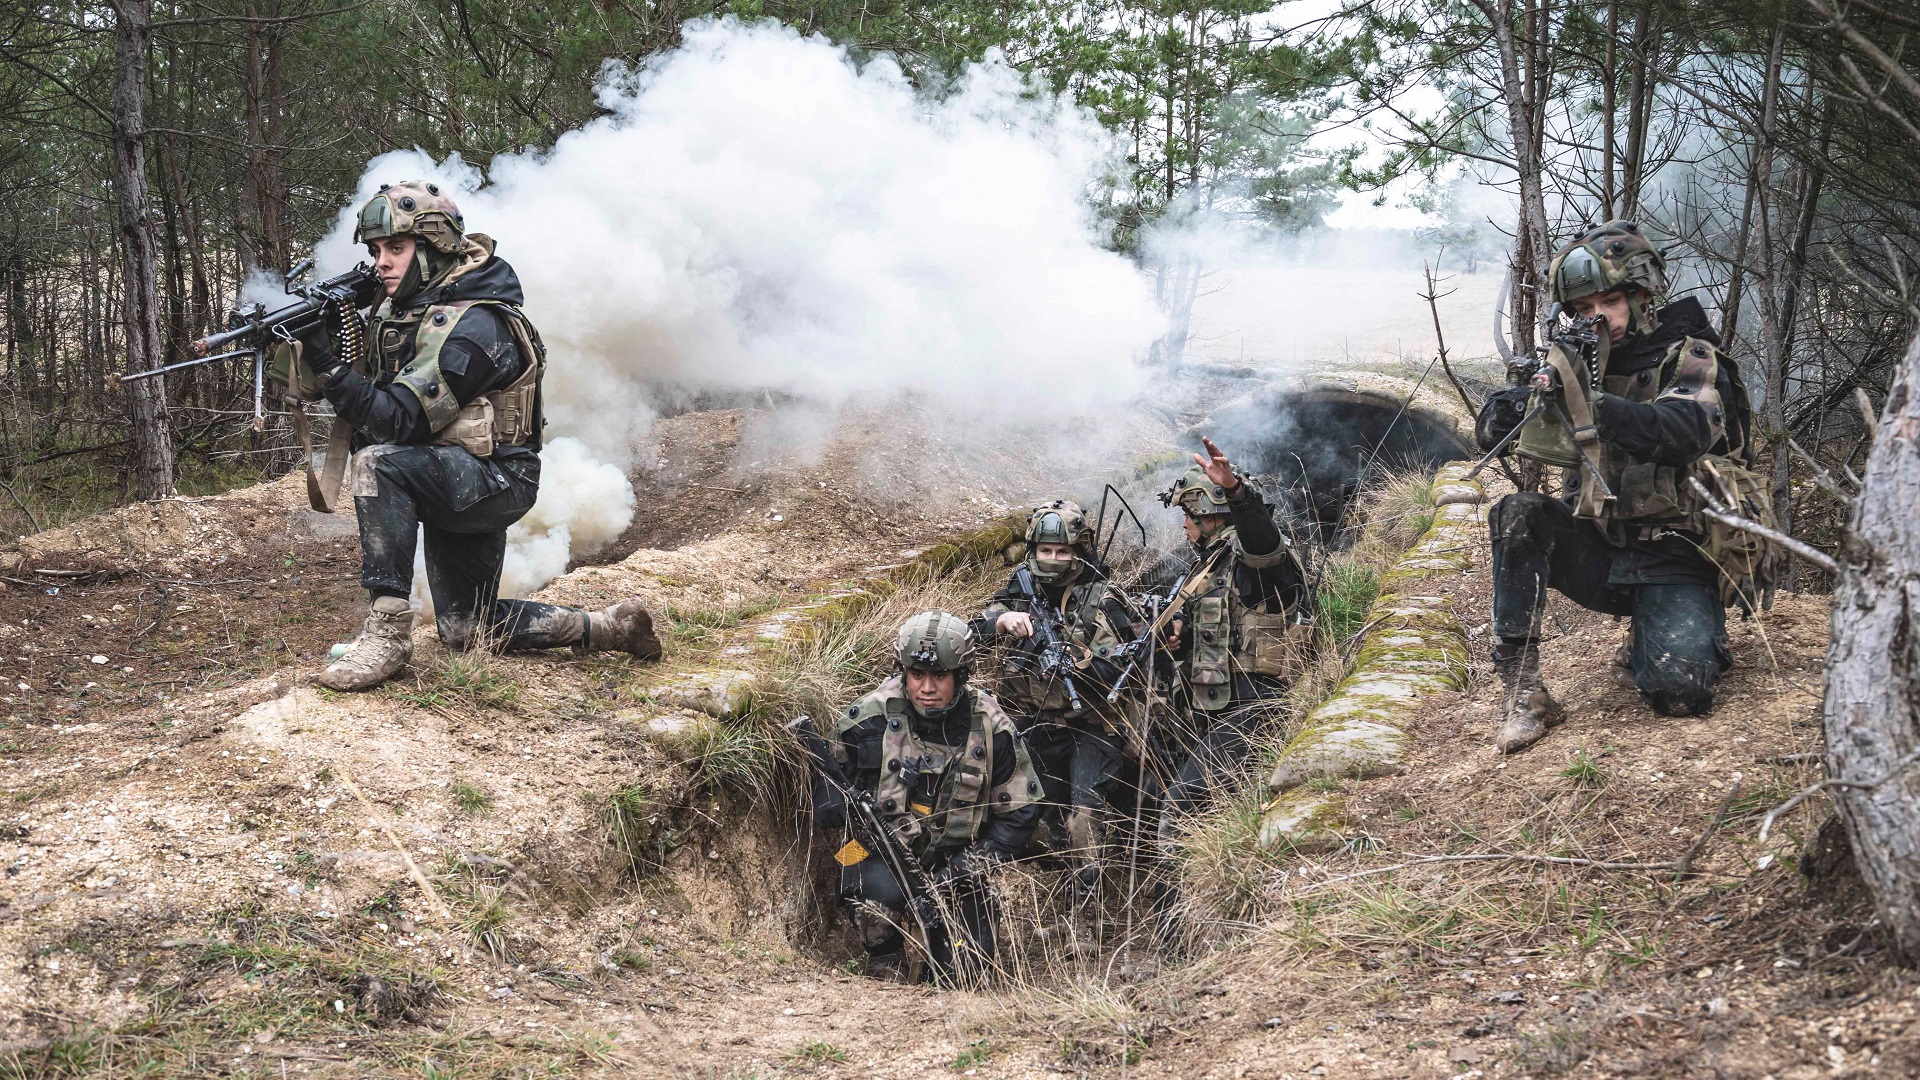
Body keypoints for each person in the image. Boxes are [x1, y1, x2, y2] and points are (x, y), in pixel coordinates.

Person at [288, 181, 660, 691]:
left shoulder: (475, 325)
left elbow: (397, 420)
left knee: (378, 462)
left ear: (436, 244)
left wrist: (329, 364)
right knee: (469, 626)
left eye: (396, 248)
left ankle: (388, 633)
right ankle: (610, 626)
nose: (382, 262)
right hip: (451, 472)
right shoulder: (406, 311)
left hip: (495, 480)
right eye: (376, 251)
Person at [1475, 220, 1761, 752]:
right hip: (1599, 547)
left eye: (1608, 301)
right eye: (1583, 308)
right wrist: (1518, 405)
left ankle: (1663, 637)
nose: (1596, 316)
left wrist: (1593, 404)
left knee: (1679, 696)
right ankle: (1522, 691)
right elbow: (1497, 433)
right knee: (1518, 512)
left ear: (1642, 294)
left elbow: (1684, 430)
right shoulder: (1574, 361)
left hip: (1677, 553)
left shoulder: (1690, 354)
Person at [818, 611, 1043, 982]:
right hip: (883, 852)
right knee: (859, 879)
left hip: (961, 862)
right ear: (903, 672)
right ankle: (886, 961)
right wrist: (832, 803)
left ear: (960, 676)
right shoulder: (868, 718)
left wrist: (966, 869)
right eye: (917, 675)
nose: (927, 687)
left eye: (940, 676)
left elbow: (1020, 815)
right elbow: (831, 772)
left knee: (966, 973)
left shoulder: (991, 727)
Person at [974, 500, 1146, 896]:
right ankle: (1059, 886)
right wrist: (1001, 621)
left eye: (1062, 551)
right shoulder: (1020, 587)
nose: (1052, 559)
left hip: (1095, 725)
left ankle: (1090, 907)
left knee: (1083, 819)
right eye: (1045, 551)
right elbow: (973, 629)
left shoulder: (1102, 596)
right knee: (1033, 814)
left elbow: (1131, 660)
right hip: (1037, 722)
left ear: (1078, 552)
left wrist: (1081, 662)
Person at [1155, 438, 1312, 817]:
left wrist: (1236, 493)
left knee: (1178, 814)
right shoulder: (1211, 566)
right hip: (1215, 710)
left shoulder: (1249, 556)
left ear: (1208, 516)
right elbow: (1225, 625)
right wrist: (1183, 629)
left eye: (1188, 516)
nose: (1184, 526)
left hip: (1259, 709)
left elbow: (1264, 543)